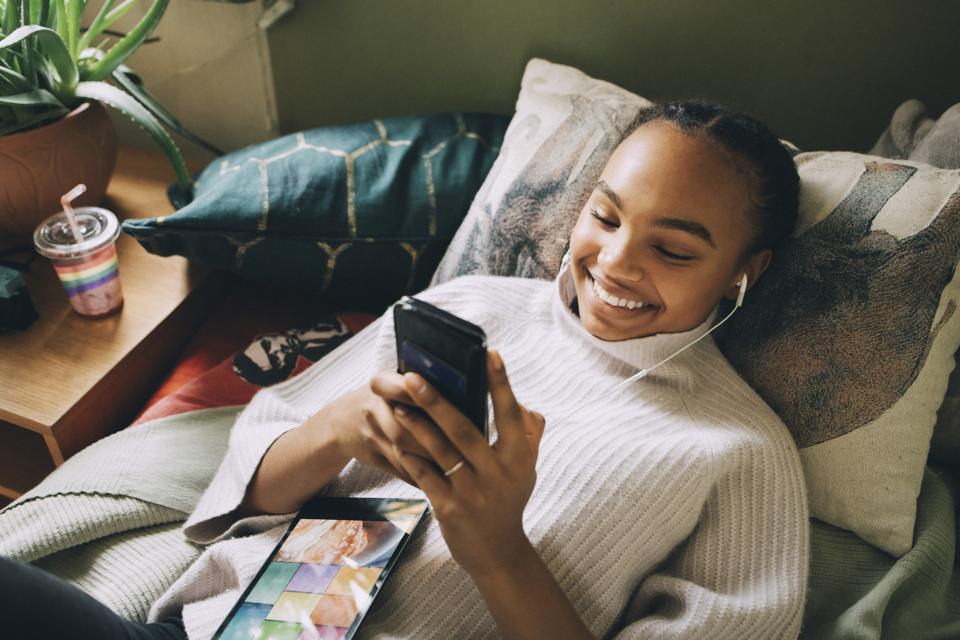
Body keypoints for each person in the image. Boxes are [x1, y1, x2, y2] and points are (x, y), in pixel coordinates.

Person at [1, 100, 809, 640]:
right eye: (604, 215)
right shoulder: (472, 305)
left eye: (673, 249)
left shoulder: (737, 451)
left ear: (747, 269)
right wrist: (337, 427)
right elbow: (240, 496)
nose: (616, 261)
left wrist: (497, 549)